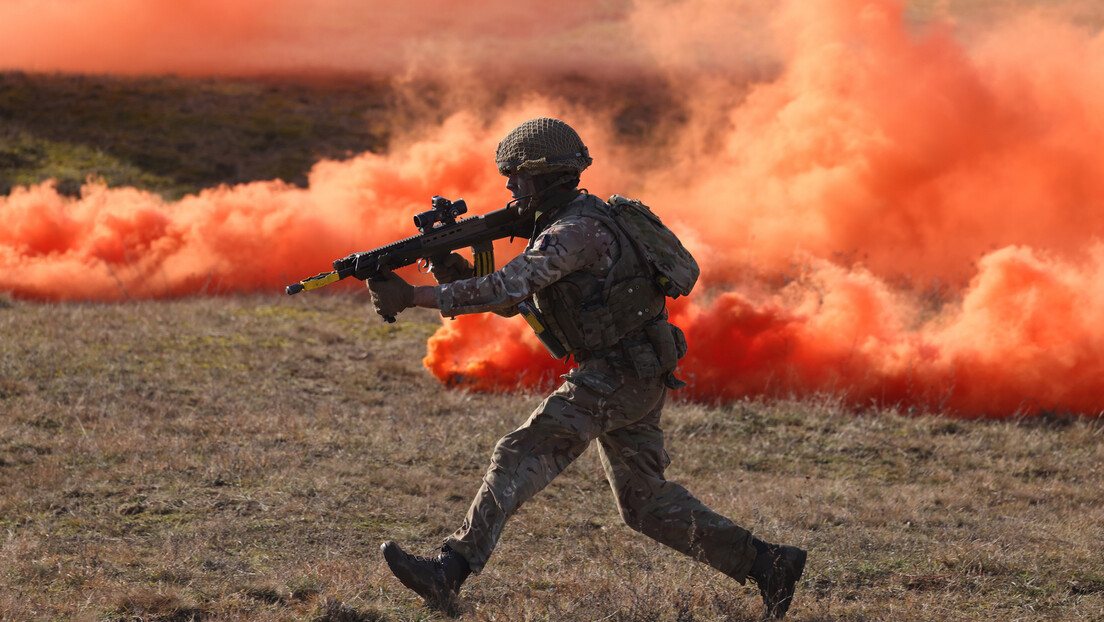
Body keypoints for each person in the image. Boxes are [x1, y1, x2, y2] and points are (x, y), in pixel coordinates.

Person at [366, 117, 807, 619]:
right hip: (635, 370)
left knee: (519, 451)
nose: (509, 186)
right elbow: (515, 301)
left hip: (618, 374)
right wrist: (451, 268)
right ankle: (769, 564)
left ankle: (450, 570)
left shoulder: (575, 233)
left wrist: (413, 296)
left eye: (517, 175)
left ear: (548, 176)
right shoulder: (571, 222)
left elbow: (507, 288)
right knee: (645, 505)